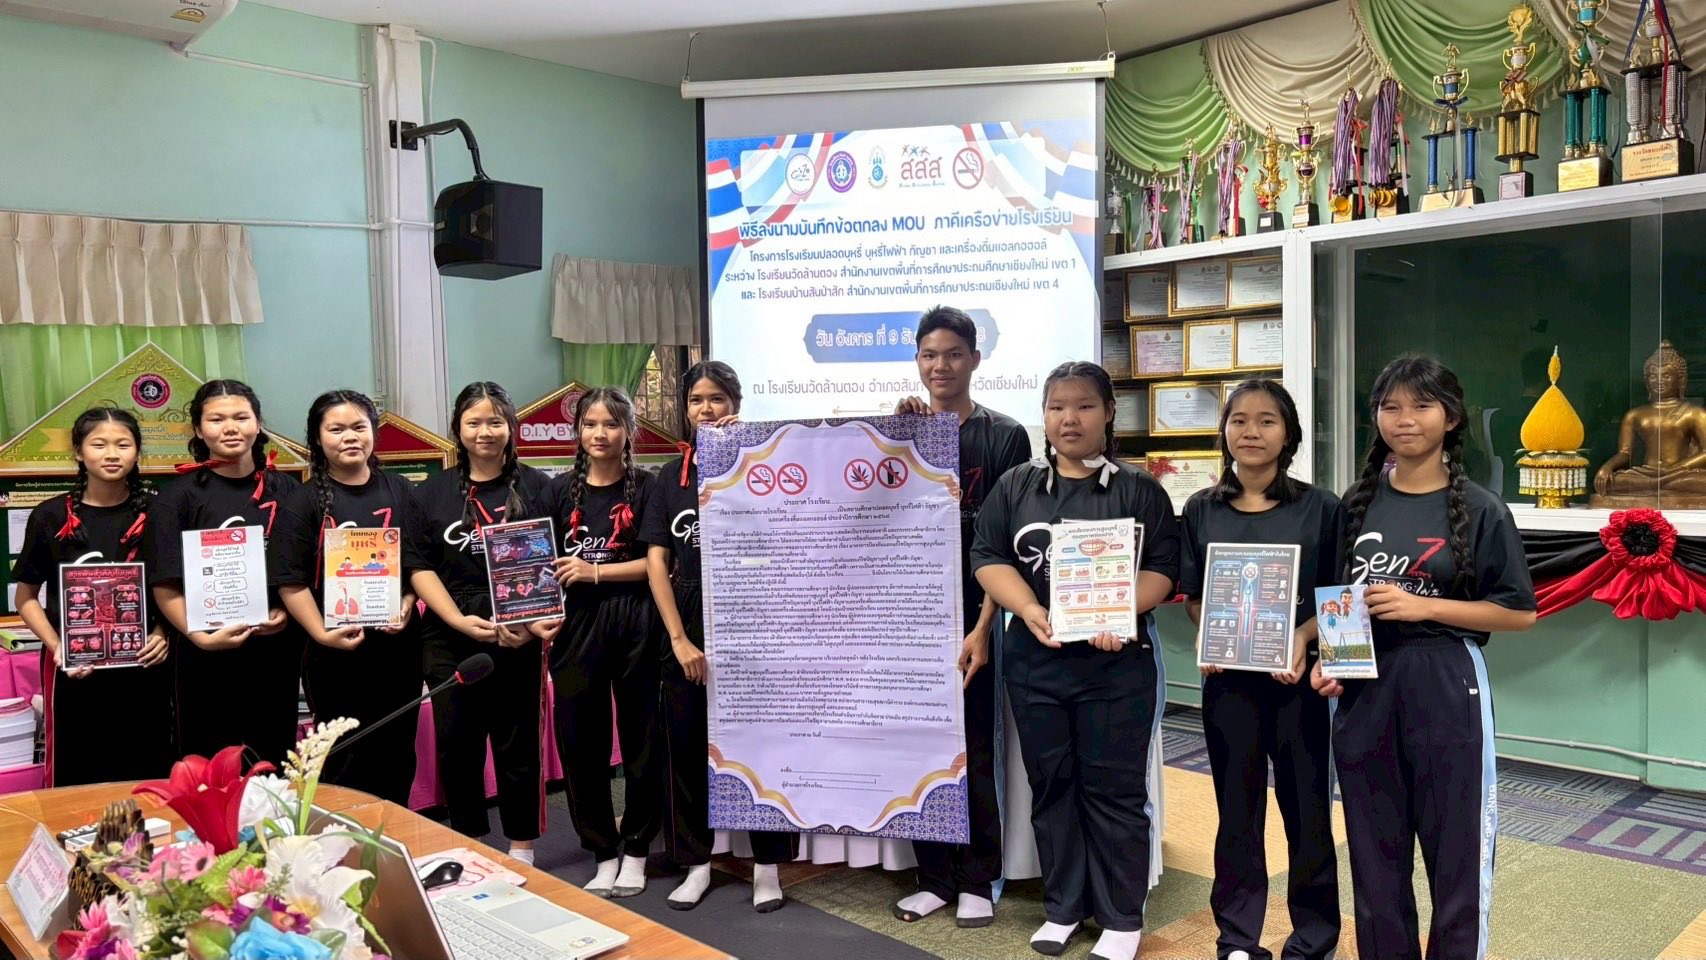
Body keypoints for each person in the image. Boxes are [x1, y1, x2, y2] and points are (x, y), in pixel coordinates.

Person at [1311, 355, 1536, 960]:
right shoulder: (1356, 504)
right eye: (1390, 407)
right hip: (1365, 688)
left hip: (1446, 681)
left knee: (1455, 851)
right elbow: (1343, 601)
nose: (1404, 419)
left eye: (1421, 405)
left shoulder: (1483, 509)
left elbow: (1518, 613)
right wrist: (1330, 660)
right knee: (1373, 853)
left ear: (1452, 417)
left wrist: (1424, 607)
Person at [970, 361, 1178, 960]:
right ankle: (1063, 906)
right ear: (1044, 414)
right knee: (1052, 784)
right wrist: (1028, 609)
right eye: (1057, 406)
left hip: (1117, 666)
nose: (1070, 418)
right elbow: (988, 555)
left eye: (1085, 405)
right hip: (1036, 662)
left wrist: (1117, 612)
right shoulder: (1018, 485)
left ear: (1108, 413)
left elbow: (1163, 570)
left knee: (1113, 789)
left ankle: (1120, 916)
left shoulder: (1139, 489)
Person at [1178, 379, 1340, 960]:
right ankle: (1238, 938)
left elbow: (1339, 597)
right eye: (1239, 420)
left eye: (1267, 420)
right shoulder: (1201, 509)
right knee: (1236, 813)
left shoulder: (1322, 508)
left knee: (1308, 810)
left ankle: (1314, 936)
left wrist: (1302, 638)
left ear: (1288, 433)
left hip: (1299, 684)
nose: (1251, 431)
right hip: (1229, 686)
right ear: (1224, 431)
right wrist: (1212, 633)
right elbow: (1196, 597)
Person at [891, 305, 1032, 929]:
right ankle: (933, 878)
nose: (940, 366)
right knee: (918, 746)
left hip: (976, 616)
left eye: (952, 354)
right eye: (929, 355)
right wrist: (895, 436)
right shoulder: (902, 429)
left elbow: (1001, 545)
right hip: (911, 616)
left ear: (975, 358)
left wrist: (982, 626)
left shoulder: (1005, 436)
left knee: (973, 748)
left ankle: (978, 878)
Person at [643, 361, 797, 913]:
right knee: (686, 749)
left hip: (755, 617)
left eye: (717, 398)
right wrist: (679, 640)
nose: (706, 409)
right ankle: (696, 864)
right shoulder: (669, 477)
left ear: (736, 403)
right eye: (696, 400)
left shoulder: (767, 464)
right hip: (687, 618)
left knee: (760, 745)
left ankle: (767, 867)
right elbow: (657, 561)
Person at [410, 382, 554, 864]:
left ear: (511, 426)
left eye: (495, 421)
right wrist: (457, 619)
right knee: (456, 743)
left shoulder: (538, 487)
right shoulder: (430, 493)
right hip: (449, 631)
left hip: (519, 630)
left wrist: (530, 622)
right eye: (474, 422)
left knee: (518, 741)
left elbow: (550, 563)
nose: (485, 432)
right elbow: (419, 566)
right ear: (458, 428)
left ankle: (522, 847)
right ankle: (468, 842)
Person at [271, 390, 424, 805]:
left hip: (397, 647)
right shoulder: (301, 501)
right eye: (336, 429)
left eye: (359, 427)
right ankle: (343, 836)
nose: (350, 437)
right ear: (317, 438)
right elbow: (290, 581)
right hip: (334, 652)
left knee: (397, 749)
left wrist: (407, 603)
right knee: (344, 753)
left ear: (373, 431)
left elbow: (419, 563)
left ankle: (393, 830)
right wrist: (322, 633)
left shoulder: (401, 490)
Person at [10, 408, 173, 785]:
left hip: (144, 666)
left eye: (123, 445)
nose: (112, 454)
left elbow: (176, 587)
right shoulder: (50, 516)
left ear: (137, 452)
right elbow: (26, 597)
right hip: (73, 669)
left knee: (148, 768)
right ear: (79, 452)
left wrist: (163, 632)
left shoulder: (159, 512)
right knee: (76, 770)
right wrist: (57, 646)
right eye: (99, 444)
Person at [542, 386, 662, 898]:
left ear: (628, 431)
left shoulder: (648, 487)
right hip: (575, 625)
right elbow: (539, 561)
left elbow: (659, 563)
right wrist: (538, 615)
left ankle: (636, 848)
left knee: (641, 740)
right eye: (590, 424)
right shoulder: (558, 491)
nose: (599, 433)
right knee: (580, 742)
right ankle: (601, 850)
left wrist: (595, 571)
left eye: (611, 424)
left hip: (637, 620)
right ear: (577, 431)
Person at [147, 380, 302, 766]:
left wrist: (286, 611)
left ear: (258, 424)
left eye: (241, 417)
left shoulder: (288, 491)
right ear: (199, 430)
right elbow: (164, 583)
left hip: (274, 650)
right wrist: (200, 636)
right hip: (204, 654)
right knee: (207, 765)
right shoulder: (176, 497)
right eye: (216, 419)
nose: (230, 427)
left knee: (272, 760)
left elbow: (303, 568)